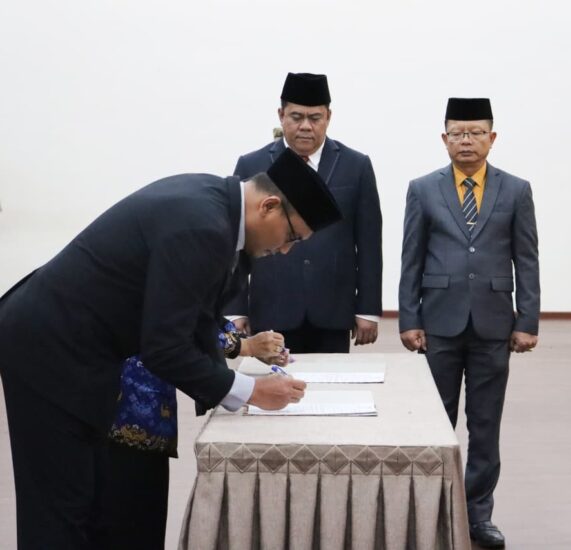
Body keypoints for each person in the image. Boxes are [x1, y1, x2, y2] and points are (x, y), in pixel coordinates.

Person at [0, 148, 341, 549]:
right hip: (50, 349)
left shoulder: (214, 206)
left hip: (75, 347)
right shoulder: (203, 226)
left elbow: (199, 317)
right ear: (268, 206)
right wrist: (250, 391)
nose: (285, 250)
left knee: (84, 502)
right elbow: (164, 347)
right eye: (292, 237)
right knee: (58, 511)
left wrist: (234, 387)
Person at [398, 97, 540, 549]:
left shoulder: (516, 190)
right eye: (458, 133)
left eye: (476, 132)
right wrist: (409, 317)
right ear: (444, 139)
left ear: (492, 138)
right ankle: (432, 510)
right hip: (439, 321)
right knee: (436, 421)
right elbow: (411, 257)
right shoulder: (423, 189)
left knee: (485, 423)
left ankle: (479, 515)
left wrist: (527, 319)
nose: (467, 140)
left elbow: (527, 258)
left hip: (494, 324)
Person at [228, 72, 383, 353]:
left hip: (333, 309)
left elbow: (369, 242)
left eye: (315, 118)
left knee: (333, 380)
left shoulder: (356, 166)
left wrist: (368, 308)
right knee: (272, 380)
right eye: (296, 117)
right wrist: (235, 308)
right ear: (281, 115)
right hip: (272, 307)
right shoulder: (252, 165)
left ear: (328, 117)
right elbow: (238, 241)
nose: (305, 126)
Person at [102, 323, 289, 550]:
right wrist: (242, 347)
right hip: (122, 410)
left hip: (145, 412)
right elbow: (172, 328)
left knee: (141, 517)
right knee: (124, 519)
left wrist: (242, 341)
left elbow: (197, 315)